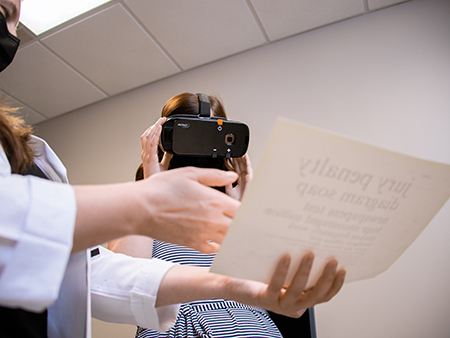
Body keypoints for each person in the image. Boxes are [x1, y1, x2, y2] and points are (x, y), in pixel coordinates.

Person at [0, 2, 346, 337]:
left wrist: (244, 213)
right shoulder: (147, 206)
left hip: (247, 325)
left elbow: (271, 283)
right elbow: (116, 271)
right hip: (175, 325)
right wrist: (151, 184)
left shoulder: (239, 206)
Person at [109, 93, 346, 337]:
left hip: (254, 327)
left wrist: (244, 213)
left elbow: (287, 296)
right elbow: (118, 284)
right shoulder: (138, 204)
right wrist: (150, 193)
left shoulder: (234, 210)